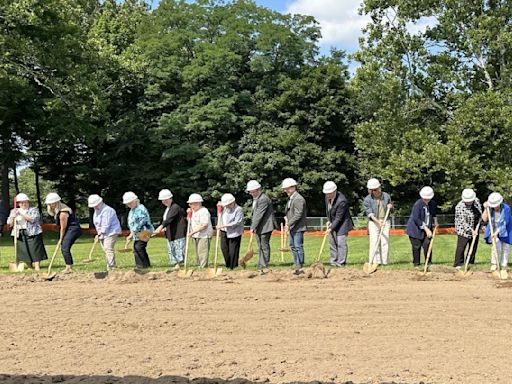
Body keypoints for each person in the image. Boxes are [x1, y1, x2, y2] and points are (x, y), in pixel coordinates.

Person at [7, 193, 47, 270]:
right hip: (19, 233)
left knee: (35, 249)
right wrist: (12, 218)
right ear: (18, 203)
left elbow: (33, 219)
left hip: (33, 232)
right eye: (21, 202)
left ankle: (37, 266)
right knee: (24, 250)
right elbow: (9, 224)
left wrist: (21, 214)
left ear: (28, 202)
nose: (23, 204)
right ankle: (29, 266)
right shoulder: (13, 211)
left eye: (25, 202)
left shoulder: (33, 209)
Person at [45, 192, 82, 273]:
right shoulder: (58, 210)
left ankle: (69, 267)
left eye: (52, 204)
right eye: (49, 204)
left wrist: (61, 239)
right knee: (64, 247)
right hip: (69, 229)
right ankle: (69, 266)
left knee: (64, 247)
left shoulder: (63, 212)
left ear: (56, 203)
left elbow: (63, 228)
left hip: (73, 229)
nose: (50, 206)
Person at [246, 180, 277, 271]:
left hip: (266, 226)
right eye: (250, 192)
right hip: (260, 226)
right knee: (260, 246)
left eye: (252, 191)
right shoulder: (256, 199)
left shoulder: (263, 199)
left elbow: (259, 214)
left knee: (264, 245)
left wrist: (252, 227)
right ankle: (261, 263)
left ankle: (264, 264)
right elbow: (255, 214)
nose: (251, 193)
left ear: (258, 189)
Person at [323, 181, 354, 267]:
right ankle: (333, 261)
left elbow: (339, 218)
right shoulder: (327, 197)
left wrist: (331, 228)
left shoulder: (342, 201)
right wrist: (329, 220)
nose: (327, 195)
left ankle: (341, 262)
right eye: (326, 193)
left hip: (343, 223)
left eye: (329, 193)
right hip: (333, 221)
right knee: (332, 242)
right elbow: (328, 210)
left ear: (334, 191)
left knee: (340, 242)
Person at [155, 189, 187, 270]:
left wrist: (161, 226)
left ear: (170, 198)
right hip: (170, 233)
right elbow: (168, 221)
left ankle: (180, 264)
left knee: (179, 249)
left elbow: (169, 219)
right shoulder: (168, 208)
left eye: (166, 199)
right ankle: (176, 264)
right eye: (163, 200)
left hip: (178, 233)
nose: (164, 201)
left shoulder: (175, 207)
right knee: (172, 249)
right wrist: (165, 228)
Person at [363, 178, 393, 265]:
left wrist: (391, 207)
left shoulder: (386, 196)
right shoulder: (367, 199)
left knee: (384, 241)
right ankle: (375, 261)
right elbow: (370, 214)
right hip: (374, 222)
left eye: (375, 190)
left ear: (379, 188)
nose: (373, 192)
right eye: (371, 190)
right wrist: (378, 222)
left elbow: (390, 209)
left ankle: (384, 262)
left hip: (385, 220)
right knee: (374, 241)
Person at [89, 194, 122, 271]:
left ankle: (112, 267)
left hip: (111, 232)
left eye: (95, 205)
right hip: (102, 233)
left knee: (108, 248)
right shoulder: (96, 211)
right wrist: (98, 233)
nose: (94, 206)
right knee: (105, 250)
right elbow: (97, 224)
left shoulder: (107, 210)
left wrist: (100, 233)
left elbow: (106, 224)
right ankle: (109, 265)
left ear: (100, 202)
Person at [406, 186, 437, 267]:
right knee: (416, 246)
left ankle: (429, 263)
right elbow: (416, 218)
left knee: (427, 244)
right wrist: (426, 229)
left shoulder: (432, 204)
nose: (427, 200)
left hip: (427, 227)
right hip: (415, 229)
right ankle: (416, 264)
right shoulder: (418, 204)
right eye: (425, 198)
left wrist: (436, 223)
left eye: (428, 198)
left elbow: (434, 214)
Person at [123, 191, 154, 270]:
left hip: (144, 231)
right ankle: (146, 265)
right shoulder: (133, 210)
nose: (129, 205)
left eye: (130, 203)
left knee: (138, 248)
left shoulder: (140, 209)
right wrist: (132, 233)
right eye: (127, 204)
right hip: (138, 232)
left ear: (135, 200)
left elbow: (141, 222)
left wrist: (133, 232)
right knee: (140, 248)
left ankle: (140, 266)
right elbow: (133, 224)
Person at [482, 192, 512, 271]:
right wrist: (485, 209)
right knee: (496, 246)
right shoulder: (490, 208)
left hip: (506, 228)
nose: (494, 207)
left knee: (506, 246)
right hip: (494, 228)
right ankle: (494, 263)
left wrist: (496, 233)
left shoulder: (506, 208)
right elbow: (484, 219)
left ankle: (504, 264)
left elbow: (505, 222)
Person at [282, 178, 307, 272]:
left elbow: (298, 214)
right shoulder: (291, 199)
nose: (285, 191)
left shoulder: (298, 199)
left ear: (293, 187)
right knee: (292, 245)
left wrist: (288, 224)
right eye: (285, 189)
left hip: (298, 227)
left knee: (298, 246)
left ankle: (300, 264)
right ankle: (296, 263)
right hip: (293, 226)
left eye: (287, 189)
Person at [453, 188, 482, 269]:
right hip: (463, 229)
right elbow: (463, 222)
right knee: (461, 246)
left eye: (470, 200)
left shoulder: (476, 201)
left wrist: (477, 226)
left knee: (473, 246)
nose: (469, 202)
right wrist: (471, 230)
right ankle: (458, 263)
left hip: (475, 226)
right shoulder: (459, 207)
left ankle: (470, 262)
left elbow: (479, 212)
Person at [217, 193, 244, 270]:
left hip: (234, 232)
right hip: (224, 231)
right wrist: (218, 208)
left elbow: (237, 222)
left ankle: (233, 266)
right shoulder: (223, 208)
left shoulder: (238, 209)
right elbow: (220, 215)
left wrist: (223, 225)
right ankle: (228, 264)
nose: (227, 206)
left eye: (229, 204)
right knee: (224, 248)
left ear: (232, 202)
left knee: (233, 250)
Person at [187, 193, 212, 268]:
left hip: (204, 235)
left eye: (192, 204)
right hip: (195, 235)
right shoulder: (193, 211)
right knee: (197, 251)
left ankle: (203, 266)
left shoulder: (204, 211)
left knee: (202, 251)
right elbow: (190, 221)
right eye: (190, 204)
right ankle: (199, 265)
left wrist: (192, 232)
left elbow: (204, 225)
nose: (190, 206)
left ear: (198, 203)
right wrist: (188, 214)